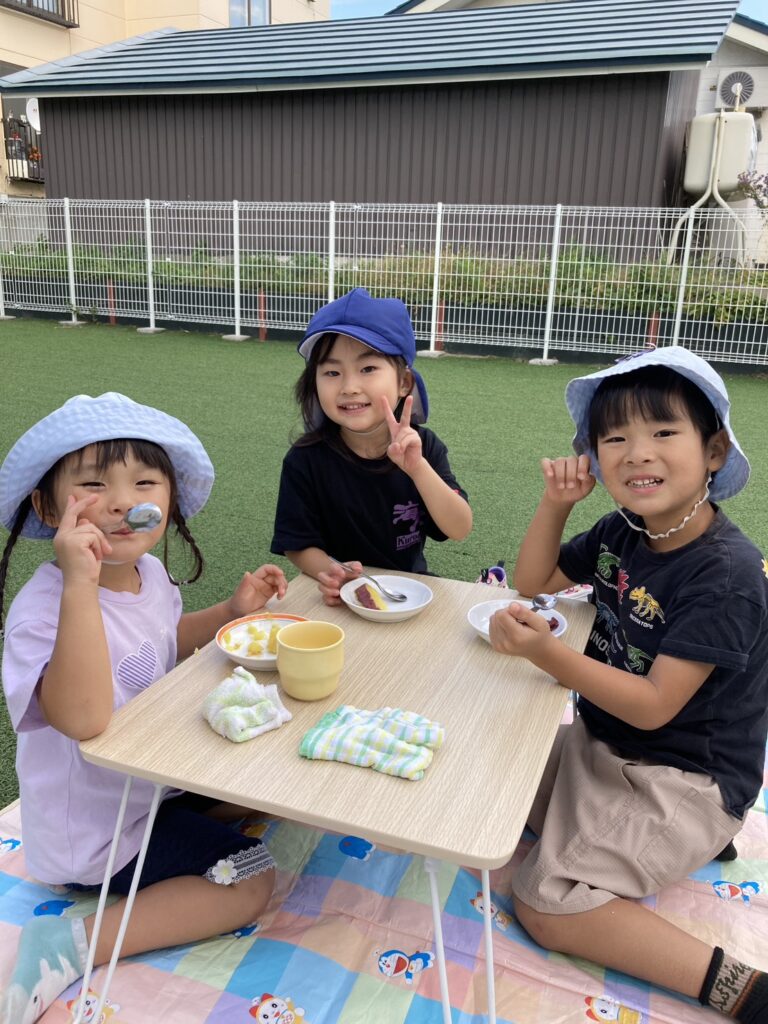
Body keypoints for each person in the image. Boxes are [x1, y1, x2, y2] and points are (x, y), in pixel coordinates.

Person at [489, 347, 768, 1022]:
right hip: (604, 745)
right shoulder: (625, 530)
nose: (639, 452)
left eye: (663, 431)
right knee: (494, 771)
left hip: (683, 777)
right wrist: (555, 504)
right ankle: (655, 841)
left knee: (546, 901)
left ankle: (743, 988)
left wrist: (546, 653)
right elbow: (534, 581)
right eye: (615, 438)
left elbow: (653, 707)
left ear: (713, 451)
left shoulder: (726, 574)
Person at [0, 393, 287, 1024]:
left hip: (148, 789)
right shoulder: (43, 610)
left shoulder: (149, 574)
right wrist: (80, 583)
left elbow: (163, 640)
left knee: (268, 788)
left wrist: (231, 612)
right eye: (93, 484)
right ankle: (74, 942)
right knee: (252, 875)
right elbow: (82, 718)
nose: (121, 501)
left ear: (168, 500)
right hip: (98, 834)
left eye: (144, 483)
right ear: (48, 507)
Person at [271, 288, 472, 604]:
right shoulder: (305, 459)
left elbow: (459, 527)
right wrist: (334, 573)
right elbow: (297, 543)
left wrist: (418, 469)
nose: (349, 387)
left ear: (404, 382)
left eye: (367, 369)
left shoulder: (424, 447)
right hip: (337, 596)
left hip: (407, 591)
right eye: (332, 372)